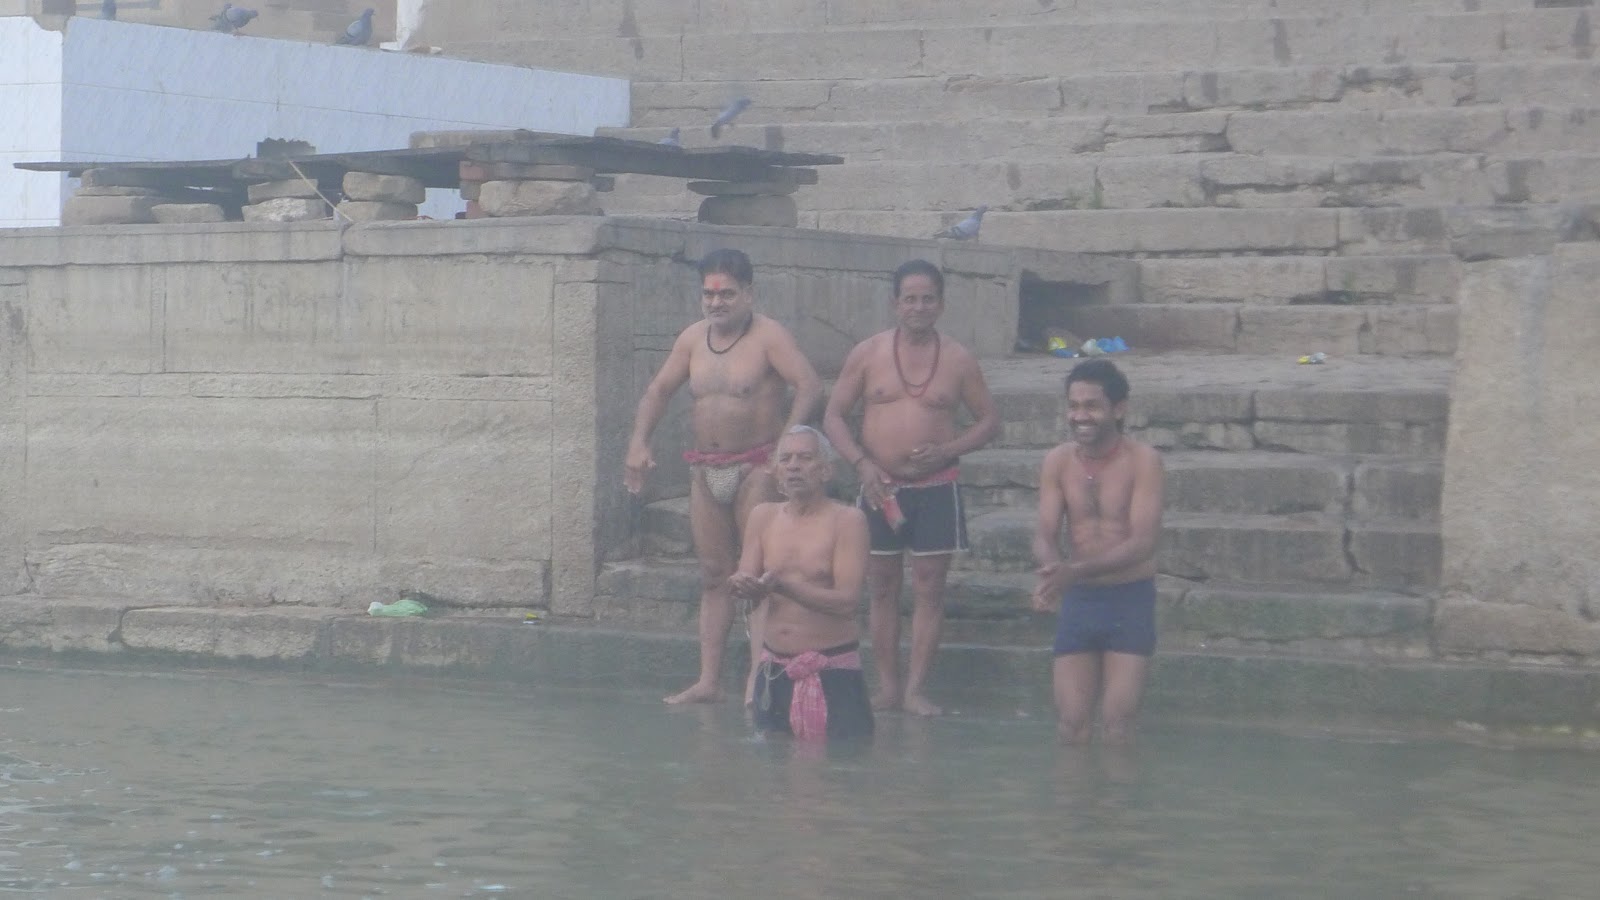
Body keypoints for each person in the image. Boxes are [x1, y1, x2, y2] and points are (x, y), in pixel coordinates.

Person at [625, 249, 824, 705]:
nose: (716, 303)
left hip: (756, 466)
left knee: (753, 575)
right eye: (709, 294)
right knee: (714, 574)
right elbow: (658, 389)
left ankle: (758, 678)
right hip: (705, 469)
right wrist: (639, 441)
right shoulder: (692, 339)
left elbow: (810, 384)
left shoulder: (769, 336)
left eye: (727, 294)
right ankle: (708, 681)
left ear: (748, 294)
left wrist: (786, 448)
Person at [822, 259, 1000, 716]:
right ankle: (888, 687)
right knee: (880, 587)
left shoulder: (958, 358)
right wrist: (861, 463)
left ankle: (916, 689)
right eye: (910, 299)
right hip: (879, 485)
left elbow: (989, 421)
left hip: (937, 486)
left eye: (928, 299)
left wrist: (949, 449)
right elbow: (833, 416)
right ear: (895, 303)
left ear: (940, 304)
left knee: (929, 587)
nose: (918, 307)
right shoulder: (867, 353)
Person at [1031, 359, 1165, 745]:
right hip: (1080, 600)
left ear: (1118, 409)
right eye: (1073, 406)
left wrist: (1073, 571)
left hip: (1129, 598)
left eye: (1091, 406)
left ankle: (1115, 804)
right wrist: (1052, 570)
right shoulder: (1056, 461)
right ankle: (1074, 804)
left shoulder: (1144, 462)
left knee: (1117, 724)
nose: (1079, 416)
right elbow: (1043, 532)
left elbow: (1143, 543)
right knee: (1071, 724)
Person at [733, 426, 873, 742]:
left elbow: (848, 602)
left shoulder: (848, 521)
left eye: (805, 458)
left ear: (826, 470)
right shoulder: (762, 516)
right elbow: (750, 588)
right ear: (775, 470)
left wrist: (785, 587)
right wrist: (742, 586)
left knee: (841, 775)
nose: (794, 465)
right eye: (786, 459)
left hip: (832, 669)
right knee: (771, 777)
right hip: (773, 670)